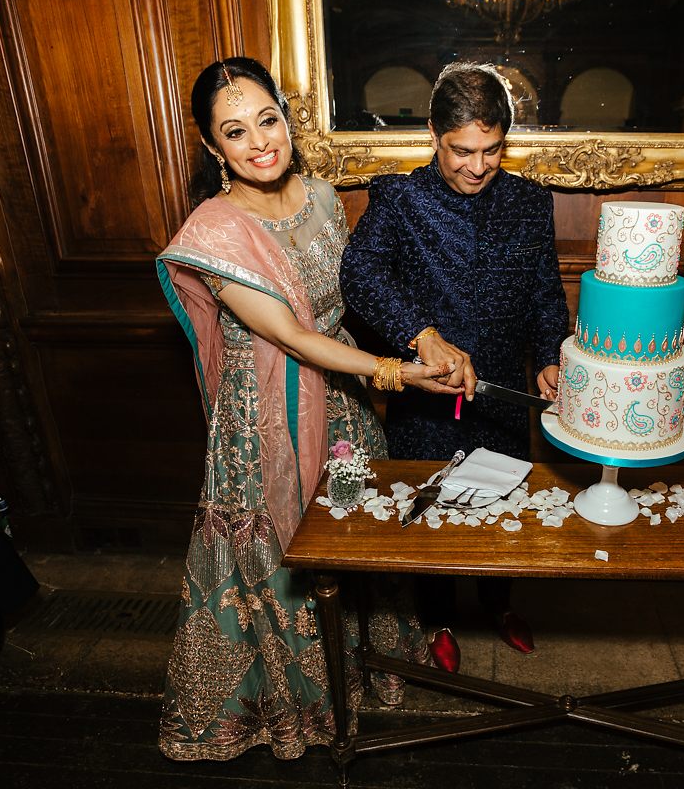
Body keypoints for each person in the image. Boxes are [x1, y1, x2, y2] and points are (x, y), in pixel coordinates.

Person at [155, 57, 460, 761]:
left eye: (268, 120)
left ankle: (364, 670)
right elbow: (291, 335)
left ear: (286, 118)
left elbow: (351, 298)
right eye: (235, 131)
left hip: (345, 405)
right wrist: (401, 373)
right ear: (211, 146)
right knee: (287, 551)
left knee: (353, 538)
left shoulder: (323, 196)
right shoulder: (213, 232)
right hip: (268, 419)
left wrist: (423, 341)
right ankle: (300, 707)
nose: (260, 142)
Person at [340, 62, 569, 672]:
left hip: (500, 392)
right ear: (435, 138)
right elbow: (359, 275)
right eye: (461, 151)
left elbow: (546, 292)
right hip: (426, 397)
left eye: (491, 151)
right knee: (433, 514)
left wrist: (550, 356)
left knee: (502, 508)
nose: (477, 166)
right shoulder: (401, 199)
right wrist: (421, 337)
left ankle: (499, 605)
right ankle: (437, 618)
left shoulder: (527, 202)